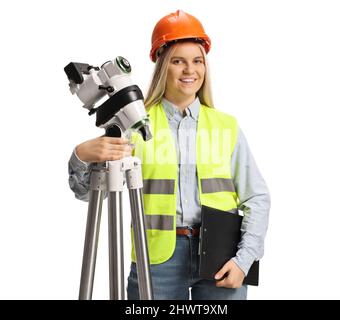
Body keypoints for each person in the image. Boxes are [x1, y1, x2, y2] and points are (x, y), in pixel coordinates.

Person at [68, 10, 270, 300]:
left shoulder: (227, 126)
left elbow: (257, 198)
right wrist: (81, 156)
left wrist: (244, 260)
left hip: (222, 258)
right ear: (163, 66)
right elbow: (89, 194)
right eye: (178, 61)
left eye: (197, 61)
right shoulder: (134, 124)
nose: (190, 70)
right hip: (156, 260)